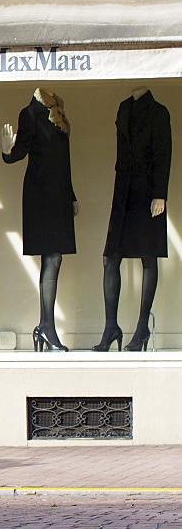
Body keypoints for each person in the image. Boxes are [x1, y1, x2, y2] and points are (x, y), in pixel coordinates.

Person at [93, 87, 172, 353]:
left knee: (148, 257)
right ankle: (111, 327)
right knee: (110, 257)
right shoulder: (123, 109)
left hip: (148, 192)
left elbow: (164, 155)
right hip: (123, 191)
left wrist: (160, 194)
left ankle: (141, 328)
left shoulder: (159, 112)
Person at [2, 87, 79, 351]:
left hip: (58, 195)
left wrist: (71, 195)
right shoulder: (30, 114)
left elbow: (64, 160)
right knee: (52, 257)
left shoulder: (57, 112)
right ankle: (46, 327)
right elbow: (20, 153)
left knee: (55, 258)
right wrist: (6, 150)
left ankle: (45, 327)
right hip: (40, 195)